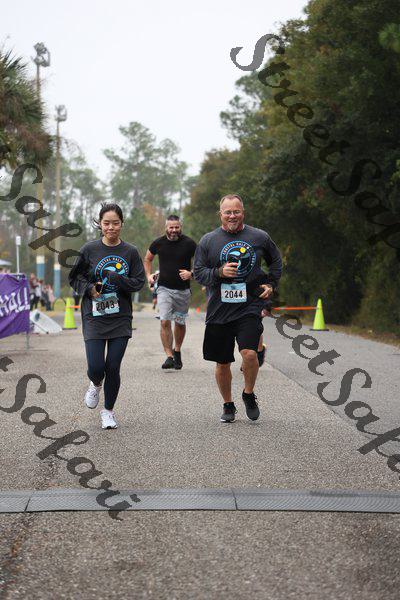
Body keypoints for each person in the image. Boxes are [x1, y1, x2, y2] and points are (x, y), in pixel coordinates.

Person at [194, 194, 282, 423]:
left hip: (249, 307)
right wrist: (219, 272)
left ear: (243, 212)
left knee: (250, 354)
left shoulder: (259, 237)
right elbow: (199, 273)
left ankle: (248, 394)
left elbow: (276, 260)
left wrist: (271, 284)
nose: (232, 216)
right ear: (220, 214)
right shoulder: (208, 240)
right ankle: (228, 404)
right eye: (228, 212)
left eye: (236, 211)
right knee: (223, 362)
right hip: (219, 310)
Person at [69, 203, 145, 430]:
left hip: (120, 316)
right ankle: (95, 383)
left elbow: (138, 282)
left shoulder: (130, 252)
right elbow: (75, 278)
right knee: (96, 367)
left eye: (115, 223)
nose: (111, 227)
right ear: (100, 224)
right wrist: (90, 289)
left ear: (122, 224)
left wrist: (117, 278)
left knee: (113, 366)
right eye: (106, 223)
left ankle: (108, 412)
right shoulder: (89, 249)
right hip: (94, 315)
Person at [144, 215, 197, 370]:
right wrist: (148, 275)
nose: (174, 230)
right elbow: (147, 259)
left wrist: (191, 273)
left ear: (181, 227)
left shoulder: (189, 243)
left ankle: (177, 350)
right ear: (166, 227)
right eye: (171, 227)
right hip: (164, 289)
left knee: (179, 323)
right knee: (164, 321)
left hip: (183, 290)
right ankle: (169, 356)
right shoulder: (158, 243)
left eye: (177, 227)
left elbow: (202, 261)